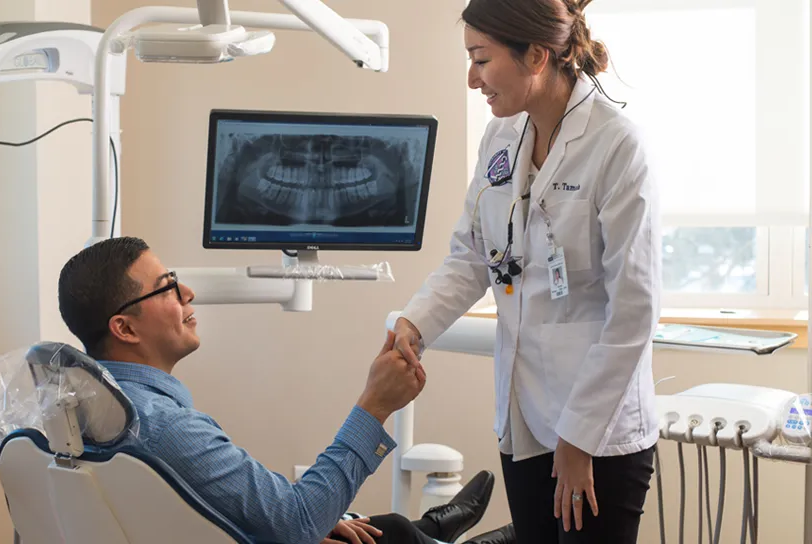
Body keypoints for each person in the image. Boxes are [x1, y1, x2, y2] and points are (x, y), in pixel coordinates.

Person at [391, 0, 661, 542]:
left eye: (481, 60)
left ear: (536, 55)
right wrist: (414, 325)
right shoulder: (501, 137)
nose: (472, 79)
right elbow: (473, 255)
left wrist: (580, 438)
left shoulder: (616, 146)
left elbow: (633, 311)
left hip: (597, 432)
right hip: (525, 418)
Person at [57, 236, 516, 544]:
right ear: (124, 327)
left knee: (382, 529)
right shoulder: (163, 427)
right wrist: (375, 405)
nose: (189, 293)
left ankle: (430, 528)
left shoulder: (87, 408)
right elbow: (295, 521)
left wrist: (307, 521)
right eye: (168, 288)